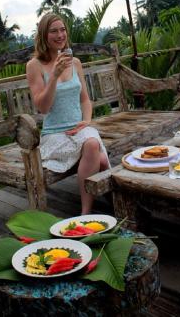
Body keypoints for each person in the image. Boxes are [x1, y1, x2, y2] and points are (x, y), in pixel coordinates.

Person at [26, 13, 110, 214]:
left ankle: (86, 212)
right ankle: (96, 208)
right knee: (99, 157)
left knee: (93, 146)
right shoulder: (34, 66)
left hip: (79, 128)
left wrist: (87, 121)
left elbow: (85, 100)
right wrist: (54, 76)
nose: (60, 35)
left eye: (62, 30)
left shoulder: (76, 63)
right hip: (55, 134)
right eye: (53, 31)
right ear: (44, 36)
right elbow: (42, 108)